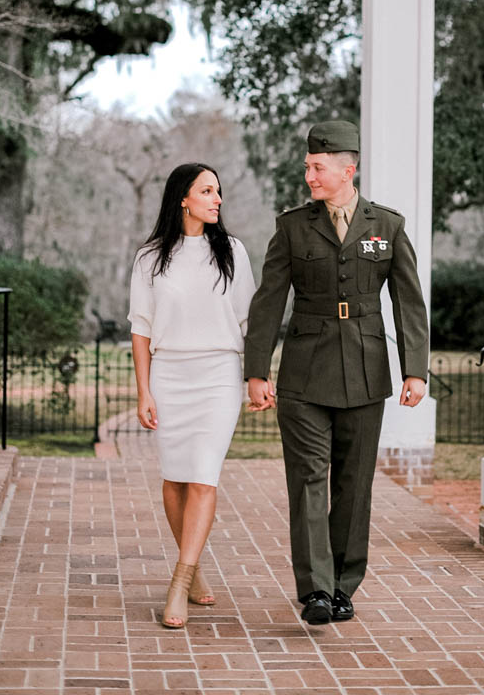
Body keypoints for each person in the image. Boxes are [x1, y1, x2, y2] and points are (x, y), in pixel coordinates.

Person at [244, 120, 429, 625]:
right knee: (308, 479)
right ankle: (317, 591)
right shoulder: (292, 227)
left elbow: (409, 302)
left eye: (318, 168)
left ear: (349, 169)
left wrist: (417, 370)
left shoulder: (387, 226)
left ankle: (345, 586)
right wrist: (256, 369)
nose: (310, 176)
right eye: (307, 167)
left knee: (354, 482)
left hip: (366, 370)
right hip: (304, 372)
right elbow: (268, 302)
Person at [128, 162, 256, 629]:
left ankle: (179, 581)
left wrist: (257, 376)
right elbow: (141, 330)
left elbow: (249, 321)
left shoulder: (234, 252)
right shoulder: (150, 257)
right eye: (207, 191)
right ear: (183, 197)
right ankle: (196, 566)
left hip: (220, 374)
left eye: (219, 191)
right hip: (169, 374)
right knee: (175, 478)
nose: (217, 198)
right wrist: (144, 390)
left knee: (203, 476)